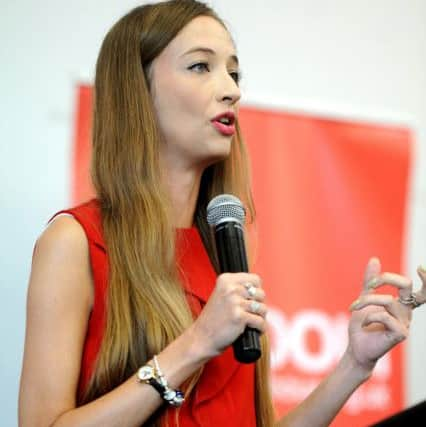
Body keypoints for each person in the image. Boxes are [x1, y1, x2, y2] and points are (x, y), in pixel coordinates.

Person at [18, 1, 426, 426]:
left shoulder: (220, 252)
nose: (232, 89)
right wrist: (195, 344)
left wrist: (354, 365)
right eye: (200, 67)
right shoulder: (76, 242)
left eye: (234, 72)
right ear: (137, 90)